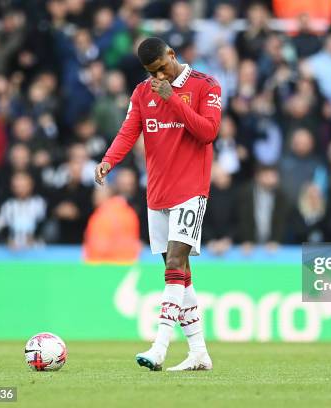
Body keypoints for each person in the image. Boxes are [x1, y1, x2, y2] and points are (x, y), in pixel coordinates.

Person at [94, 37, 221, 371]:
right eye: (153, 73)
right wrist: (109, 160)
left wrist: (175, 101)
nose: (159, 77)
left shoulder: (206, 85)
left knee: (175, 264)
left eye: (162, 68)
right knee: (181, 275)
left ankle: (160, 346)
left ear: (172, 55)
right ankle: (198, 352)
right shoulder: (141, 92)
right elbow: (128, 131)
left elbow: (208, 132)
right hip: (158, 194)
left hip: (191, 189)